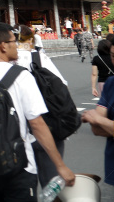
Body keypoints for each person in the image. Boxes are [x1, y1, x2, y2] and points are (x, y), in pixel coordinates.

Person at [0, 22, 75, 201]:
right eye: (13, 41)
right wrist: (60, 165)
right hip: (20, 164)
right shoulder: (21, 76)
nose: (17, 45)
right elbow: (37, 124)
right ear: (3, 46)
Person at [15, 25, 69, 188]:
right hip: (46, 123)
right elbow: (62, 85)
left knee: (21, 186)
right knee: (51, 181)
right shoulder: (39, 57)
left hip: (16, 131)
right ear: (30, 40)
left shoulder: (5, 61)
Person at [82, 31, 114, 200]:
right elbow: (96, 130)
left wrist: (99, 119)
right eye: (113, 57)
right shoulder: (111, 83)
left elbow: (97, 121)